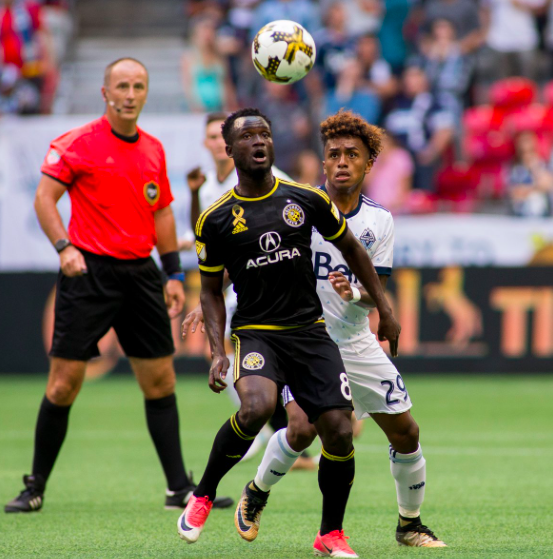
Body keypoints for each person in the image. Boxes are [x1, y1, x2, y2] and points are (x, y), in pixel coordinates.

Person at [4, 58, 232, 514]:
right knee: (63, 385)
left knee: (160, 381)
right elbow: (44, 199)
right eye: (122, 86)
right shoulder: (76, 144)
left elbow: (163, 213)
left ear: (146, 93)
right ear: (105, 93)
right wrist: (64, 247)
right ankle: (35, 486)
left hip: (141, 274)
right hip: (88, 274)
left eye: (139, 86)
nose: (130, 94)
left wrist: (171, 273)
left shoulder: (152, 149)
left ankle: (176, 489)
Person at [176, 107, 401, 558]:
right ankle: (202, 494)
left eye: (265, 134)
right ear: (230, 148)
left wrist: (385, 309)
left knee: (338, 430)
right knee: (256, 406)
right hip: (257, 331)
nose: (258, 142)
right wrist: (218, 351)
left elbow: (353, 250)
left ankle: (330, 534)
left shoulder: (304, 200)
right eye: (247, 137)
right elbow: (211, 291)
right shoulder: (215, 219)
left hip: (309, 330)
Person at [233, 110, 446, 549]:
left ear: (369, 165)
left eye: (353, 154)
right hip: (303, 340)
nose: (343, 161)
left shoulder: (379, 222)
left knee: (407, 432)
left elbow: (377, 293)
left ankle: (409, 524)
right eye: (334, 154)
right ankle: (256, 493)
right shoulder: (297, 209)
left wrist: (354, 294)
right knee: (301, 429)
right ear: (323, 162)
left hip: (354, 339)